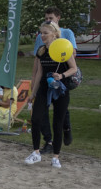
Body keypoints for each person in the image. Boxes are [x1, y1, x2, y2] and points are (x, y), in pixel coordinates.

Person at [25, 21, 78, 168]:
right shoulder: (41, 51)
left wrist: (61, 75)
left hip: (60, 87)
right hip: (44, 87)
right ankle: (36, 153)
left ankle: (56, 156)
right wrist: (33, 92)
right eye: (41, 33)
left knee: (57, 122)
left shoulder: (63, 48)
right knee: (36, 118)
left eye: (45, 33)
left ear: (54, 33)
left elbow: (73, 68)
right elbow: (39, 73)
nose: (42, 35)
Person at [33, 7, 76, 150]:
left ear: (58, 18)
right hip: (46, 78)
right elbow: (38, 60)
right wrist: (34, 82)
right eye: (46, 18)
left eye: (50, 18)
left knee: (62, 113)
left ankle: (66, 129)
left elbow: (72, 54)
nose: (48, 20)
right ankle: (48, 141)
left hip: (61, 78)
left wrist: (61, 71)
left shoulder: (67, 33)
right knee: (41, 111)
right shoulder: (41, 37)